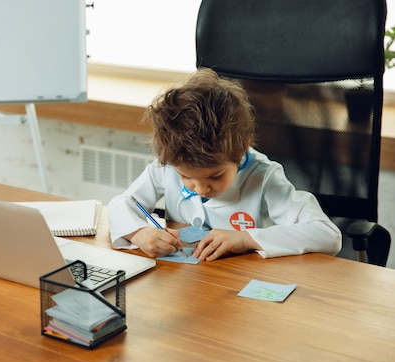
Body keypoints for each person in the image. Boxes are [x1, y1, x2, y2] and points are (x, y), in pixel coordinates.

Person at [107, 68, 342, 261]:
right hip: (184, 284)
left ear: (241, 151)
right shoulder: (167, 166)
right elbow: (121, 204)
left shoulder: (263, 177)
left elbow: (327, 235)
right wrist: (139, 233)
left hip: (241, 284)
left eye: (215, 176)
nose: (199, 189)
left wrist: (245, 238)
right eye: (185, 177)